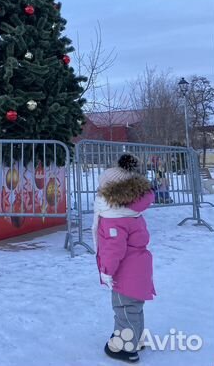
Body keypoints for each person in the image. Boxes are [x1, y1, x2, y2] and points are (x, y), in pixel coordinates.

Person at [92, 154, 156, 363]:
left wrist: (106, 271)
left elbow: (113, 249)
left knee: (124, 308)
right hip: (139, 268)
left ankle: (125, 346)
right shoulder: (131, 212)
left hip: (124, 272)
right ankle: (135, 338)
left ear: (111, 192)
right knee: (134, 307)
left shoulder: (114, 218)